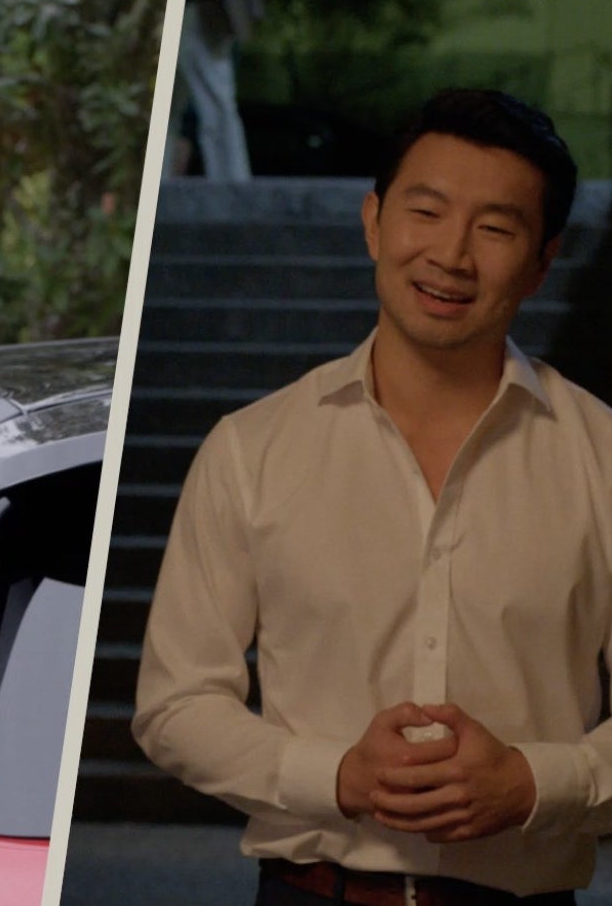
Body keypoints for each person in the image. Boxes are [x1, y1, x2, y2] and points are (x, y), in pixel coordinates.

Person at [134, 89, 601, 903]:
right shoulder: (252, 448)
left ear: (541, 261)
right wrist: (335, 775)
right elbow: (174, 704)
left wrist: (535, 781)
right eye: (426, 212)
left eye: (493, 228)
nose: (451, 255)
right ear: (373, 222)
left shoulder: (601, 455)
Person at [166, 0, 262, 180]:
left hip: (206, 10)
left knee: (216, 105)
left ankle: (232, 181)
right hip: (197, 8)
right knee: (175, 106)